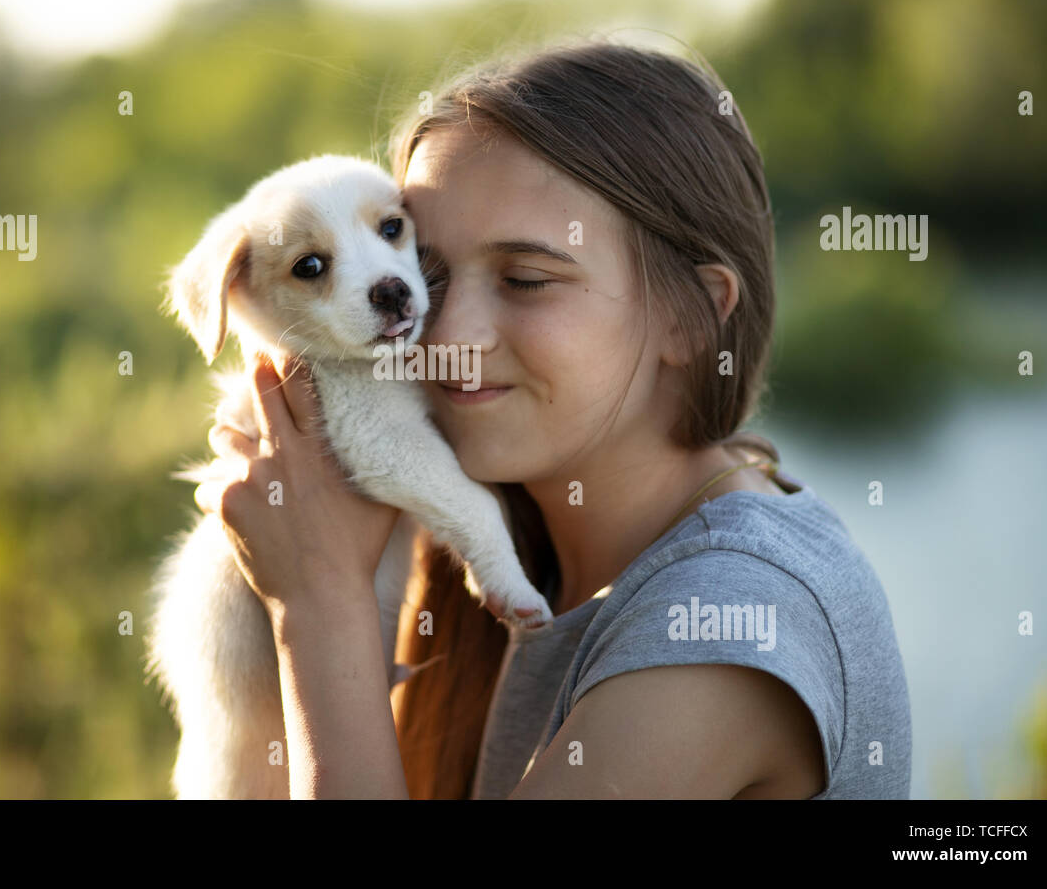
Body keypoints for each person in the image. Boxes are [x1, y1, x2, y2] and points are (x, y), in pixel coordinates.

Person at [196, 39, 912, 799]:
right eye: (428, 272)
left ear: (693, 316)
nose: (447, 333)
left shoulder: (726, 622)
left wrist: (316, 603)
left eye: (527, 279)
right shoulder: (512, 551)